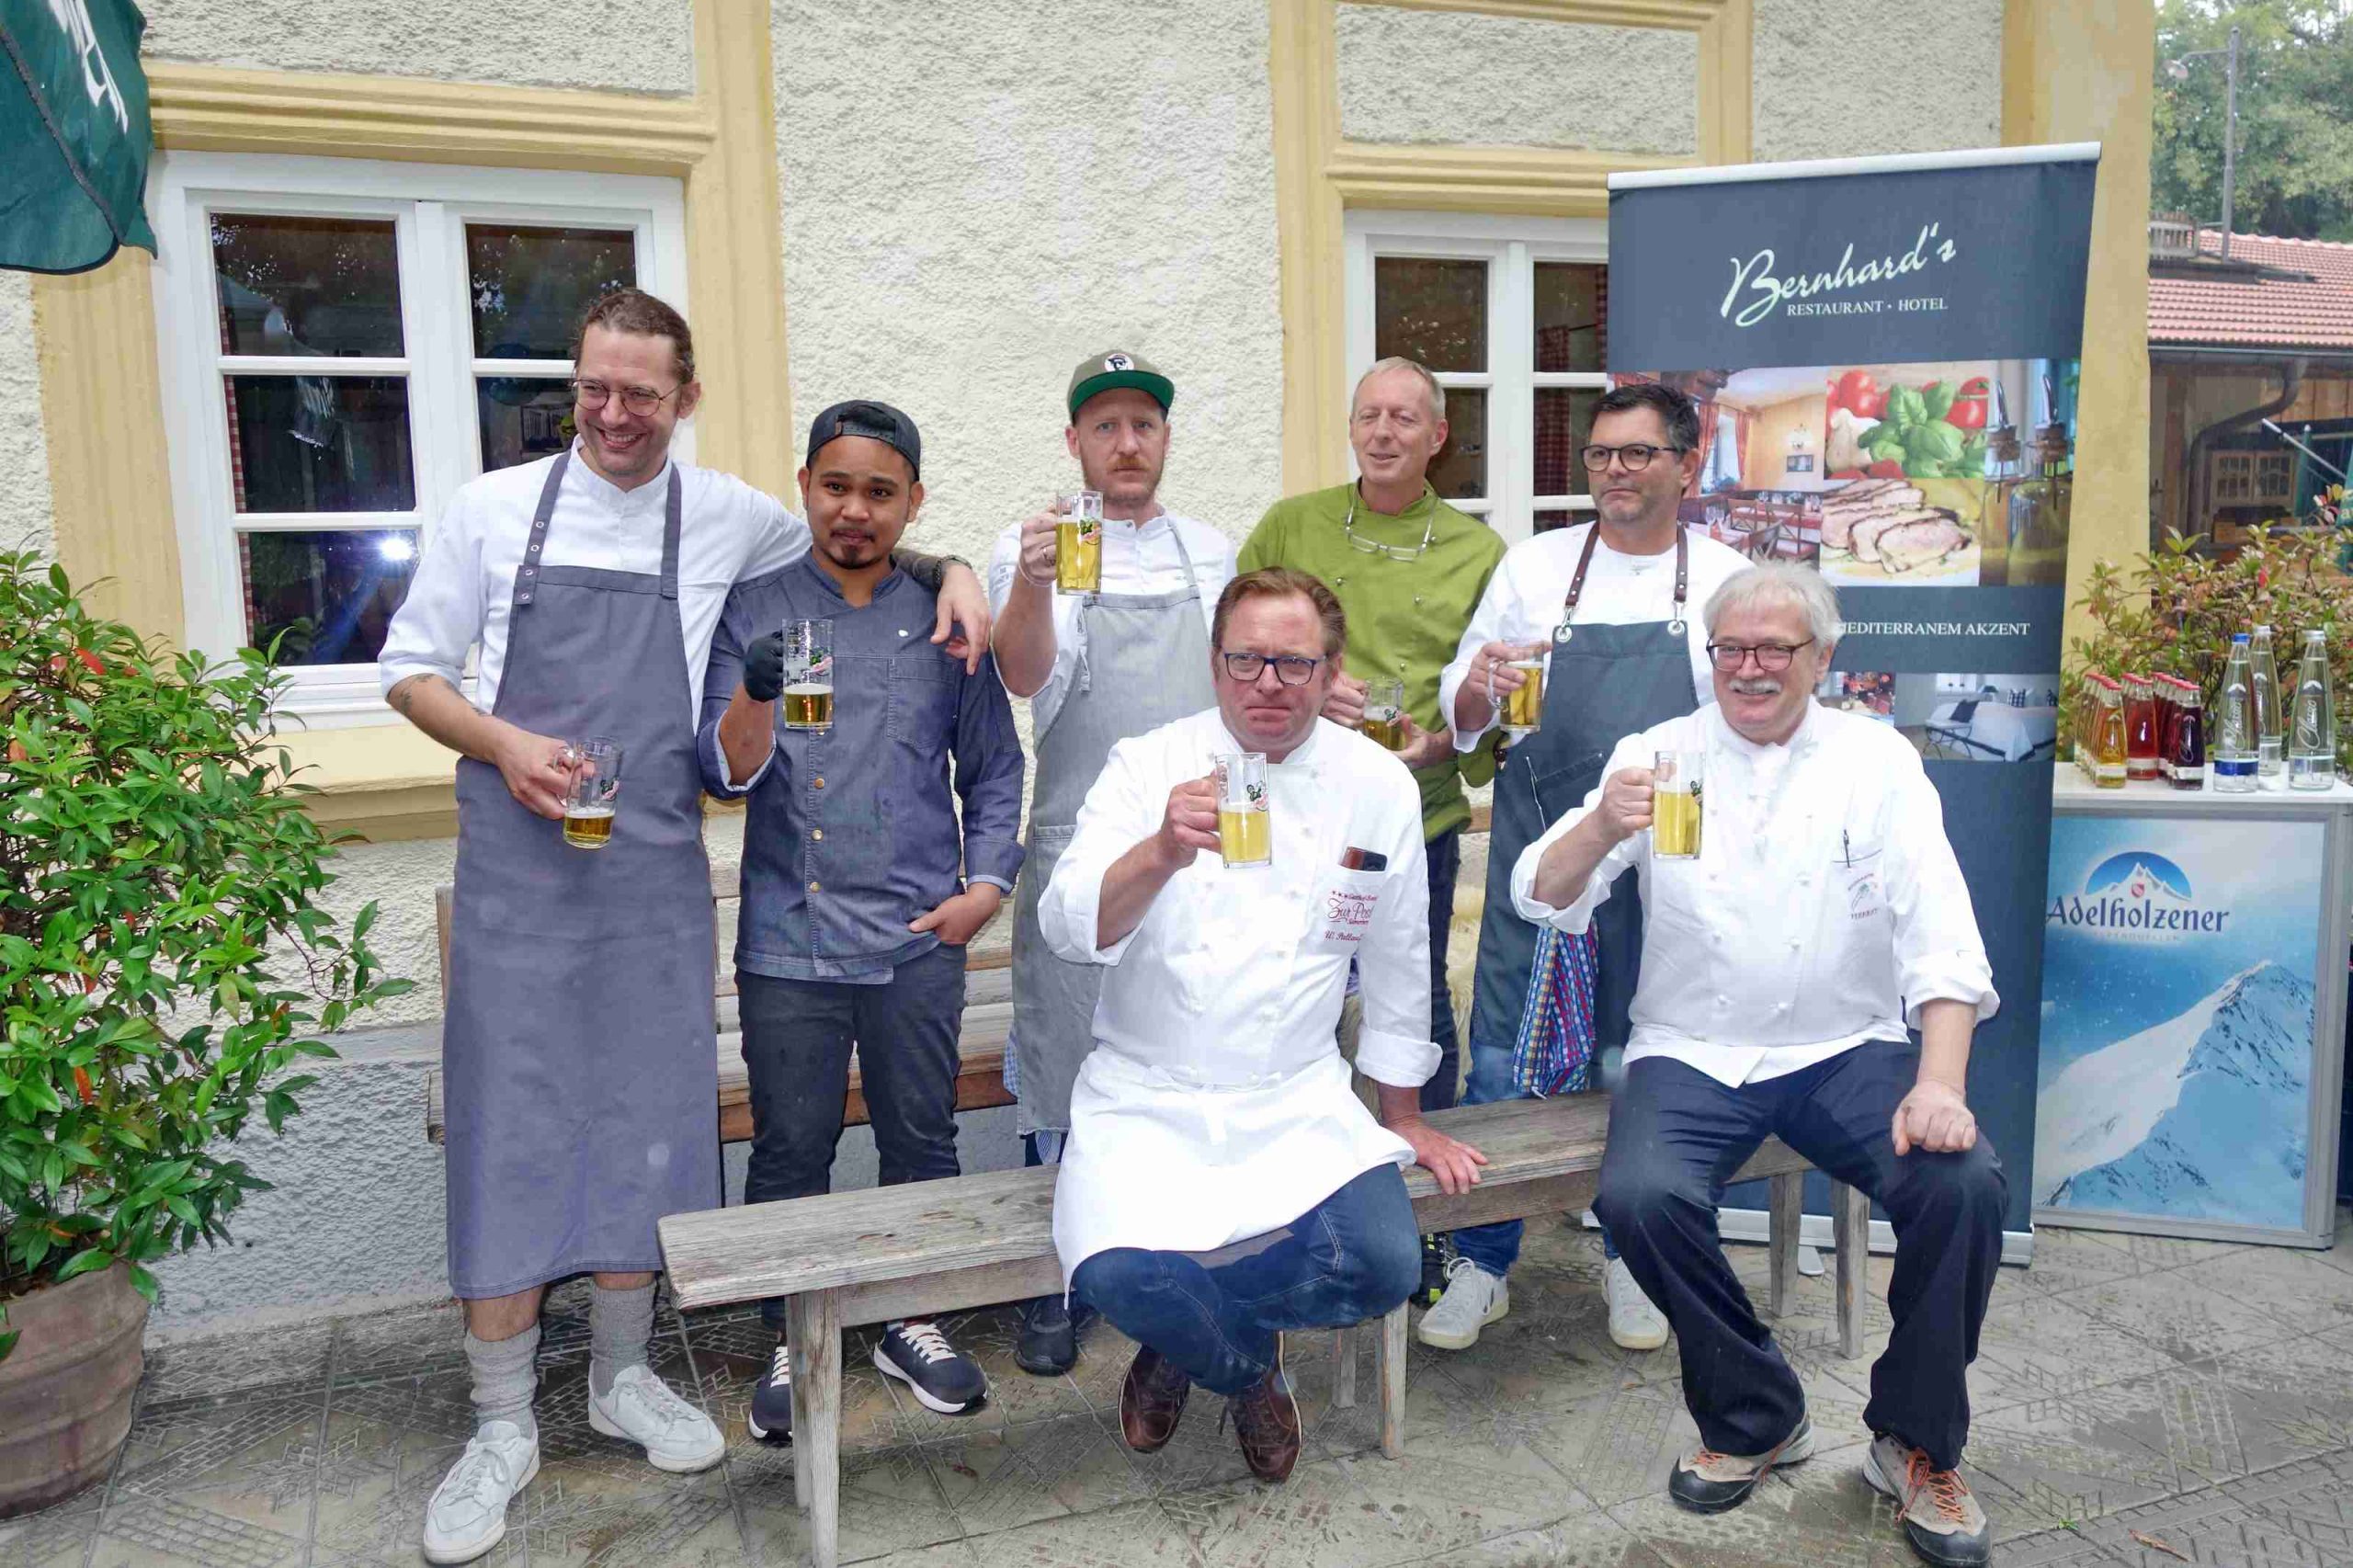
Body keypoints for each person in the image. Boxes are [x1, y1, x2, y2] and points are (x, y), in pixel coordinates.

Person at [378, 291, 991, 1566]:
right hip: (519, 879)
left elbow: (857, 542)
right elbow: (410, 670)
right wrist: (502, 742)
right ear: (575, 385)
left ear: (685, 399)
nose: (614, 413)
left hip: (651, 878)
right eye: (594, 388)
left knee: (647, 1123)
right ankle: (499, 1422)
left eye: (641, 394)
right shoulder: (490, 509)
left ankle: (622, 1376)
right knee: (510, 1128)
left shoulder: (725, 514)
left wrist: (962, 571)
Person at [1516, 563, 2004, 1568]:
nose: (1748, 668)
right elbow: (1541, 891)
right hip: (1691, 1046)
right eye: (1729, 648)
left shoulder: (1875, 760)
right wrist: (1601, 824)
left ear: (1821, 658)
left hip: (1846, 1045)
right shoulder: (1659, 753)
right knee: (1640, 1196)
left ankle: (1914, 1441)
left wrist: (1939, 1083)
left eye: (1773, 648)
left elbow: (1941, 932)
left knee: (1962, 1185)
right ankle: (1756, 1413)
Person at [1039, 567, 1486, 1483]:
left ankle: (1190, 1338)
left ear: (1331, 672)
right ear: (1215, 664)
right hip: (1149, 1093)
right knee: (1112, 1276)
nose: (1269, 682)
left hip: (1294, 1095)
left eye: (1295, 662)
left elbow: (1400, 957)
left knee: (1383, 1264)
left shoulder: (1375, 783)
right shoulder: (1147, 763)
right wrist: (1161, 849)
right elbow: (1066, 925)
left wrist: (1402, 1115)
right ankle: (1245, 1368)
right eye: (1247, 659)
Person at [699, 401, 1026, 1443]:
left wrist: (988, 887)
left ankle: (907, 1317)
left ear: (912, 503)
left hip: (916, 937)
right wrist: (754, 693)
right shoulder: (754, 607)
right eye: (836, 486)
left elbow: (994, 768)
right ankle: (791, 1334)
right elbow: (725, 771)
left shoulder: (941, 616)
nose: (855, 509)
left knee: (920, 1138)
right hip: (788, 940)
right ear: (805, 485)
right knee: (790, 1147)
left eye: (880, 492)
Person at [1428, 381, 1748, 1355]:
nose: (1615, 470)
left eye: (1637, 453)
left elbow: (1750, 729)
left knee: (1638, 1060)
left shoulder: (1727, 578)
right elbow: (1463, 714)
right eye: (1602, 453)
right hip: (1546, 856)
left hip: (1666, 866)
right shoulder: (1535, 567)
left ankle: (1632, 1257)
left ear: (1685, 466)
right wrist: (1478, 687)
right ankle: (1481, 1260)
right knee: (1499, 1056)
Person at [987, 349, 1236, 1376]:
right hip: (1080, 852)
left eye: (1143, 425)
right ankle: (1061, 1276)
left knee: (1188, 1047)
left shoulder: (1211, 553)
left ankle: (1185, 1260)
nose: (1126, 444)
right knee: (1066, 1064)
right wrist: (1032, 582)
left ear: (1165, 438)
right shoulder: (1036, 550)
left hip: (1196, 851)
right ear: (1074, 442)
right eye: (1105, 427)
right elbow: (1022, 676)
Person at [1239, 356, 1506, 1303]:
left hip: (1410, 815)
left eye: (1404, 417)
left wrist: (1445, 742)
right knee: (1281, 996)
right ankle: (1276, 1207)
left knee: (1413, 1005)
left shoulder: (1479, 550)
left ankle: (1424, 1222)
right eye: (1368, 415)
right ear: (1351, 428)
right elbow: (1233, 650)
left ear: (1438, 436)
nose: (1384, 432)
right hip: (1288, 817)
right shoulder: (1291, 524)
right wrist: (1302, 683)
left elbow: (1489, 700)